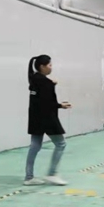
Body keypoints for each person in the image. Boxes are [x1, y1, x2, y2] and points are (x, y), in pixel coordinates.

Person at [25, 55, 71, 186]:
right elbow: (47, 103)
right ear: (42, 67)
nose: (51, 68)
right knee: (61, 144)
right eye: (49, 65)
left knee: (35, 146)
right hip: (47, 118)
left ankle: (29, 177)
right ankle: (52, 174)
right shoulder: (45, 82)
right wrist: (60, 105)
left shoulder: (34, 79)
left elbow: (40, 98)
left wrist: (50, 84)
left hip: (35, 118)